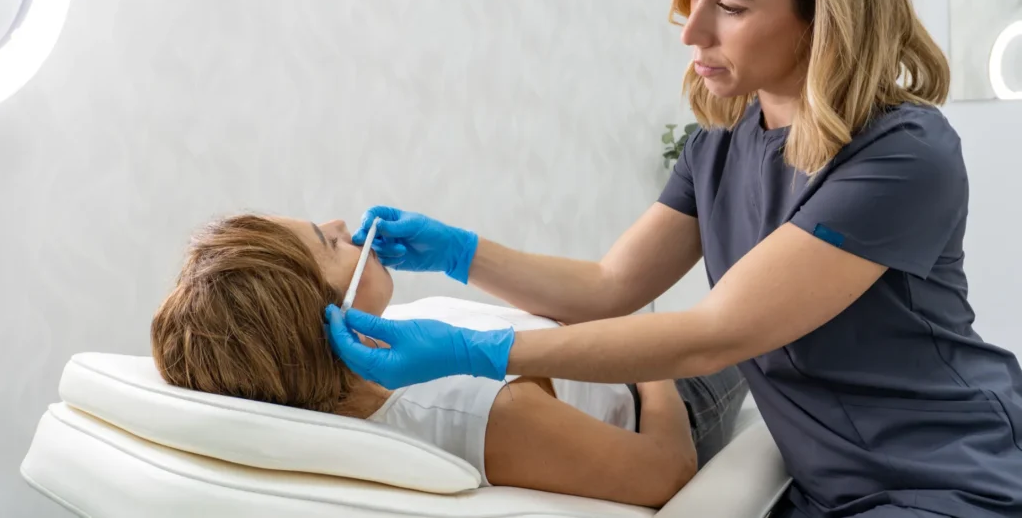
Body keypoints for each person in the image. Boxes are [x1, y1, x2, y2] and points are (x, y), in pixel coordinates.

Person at [325, 0, 1022, 518]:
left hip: (948, 479)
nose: (691, 31)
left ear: (826, 13)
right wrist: (460, 251)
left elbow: (714, 335)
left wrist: (473, 354)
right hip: (828, 487)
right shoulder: (719, 144)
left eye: (732, 6)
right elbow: (608, 286)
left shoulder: (901, 156)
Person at [150, 213, 748, 508]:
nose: (339, 223)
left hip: (604, 344)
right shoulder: (485, 413)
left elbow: (536, 325)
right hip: (668, 397)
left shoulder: (390, 352)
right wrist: (650, 357)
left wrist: (462, 255)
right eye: (326, 241)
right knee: (764, 311)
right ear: (326, 321)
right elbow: (669, 470)